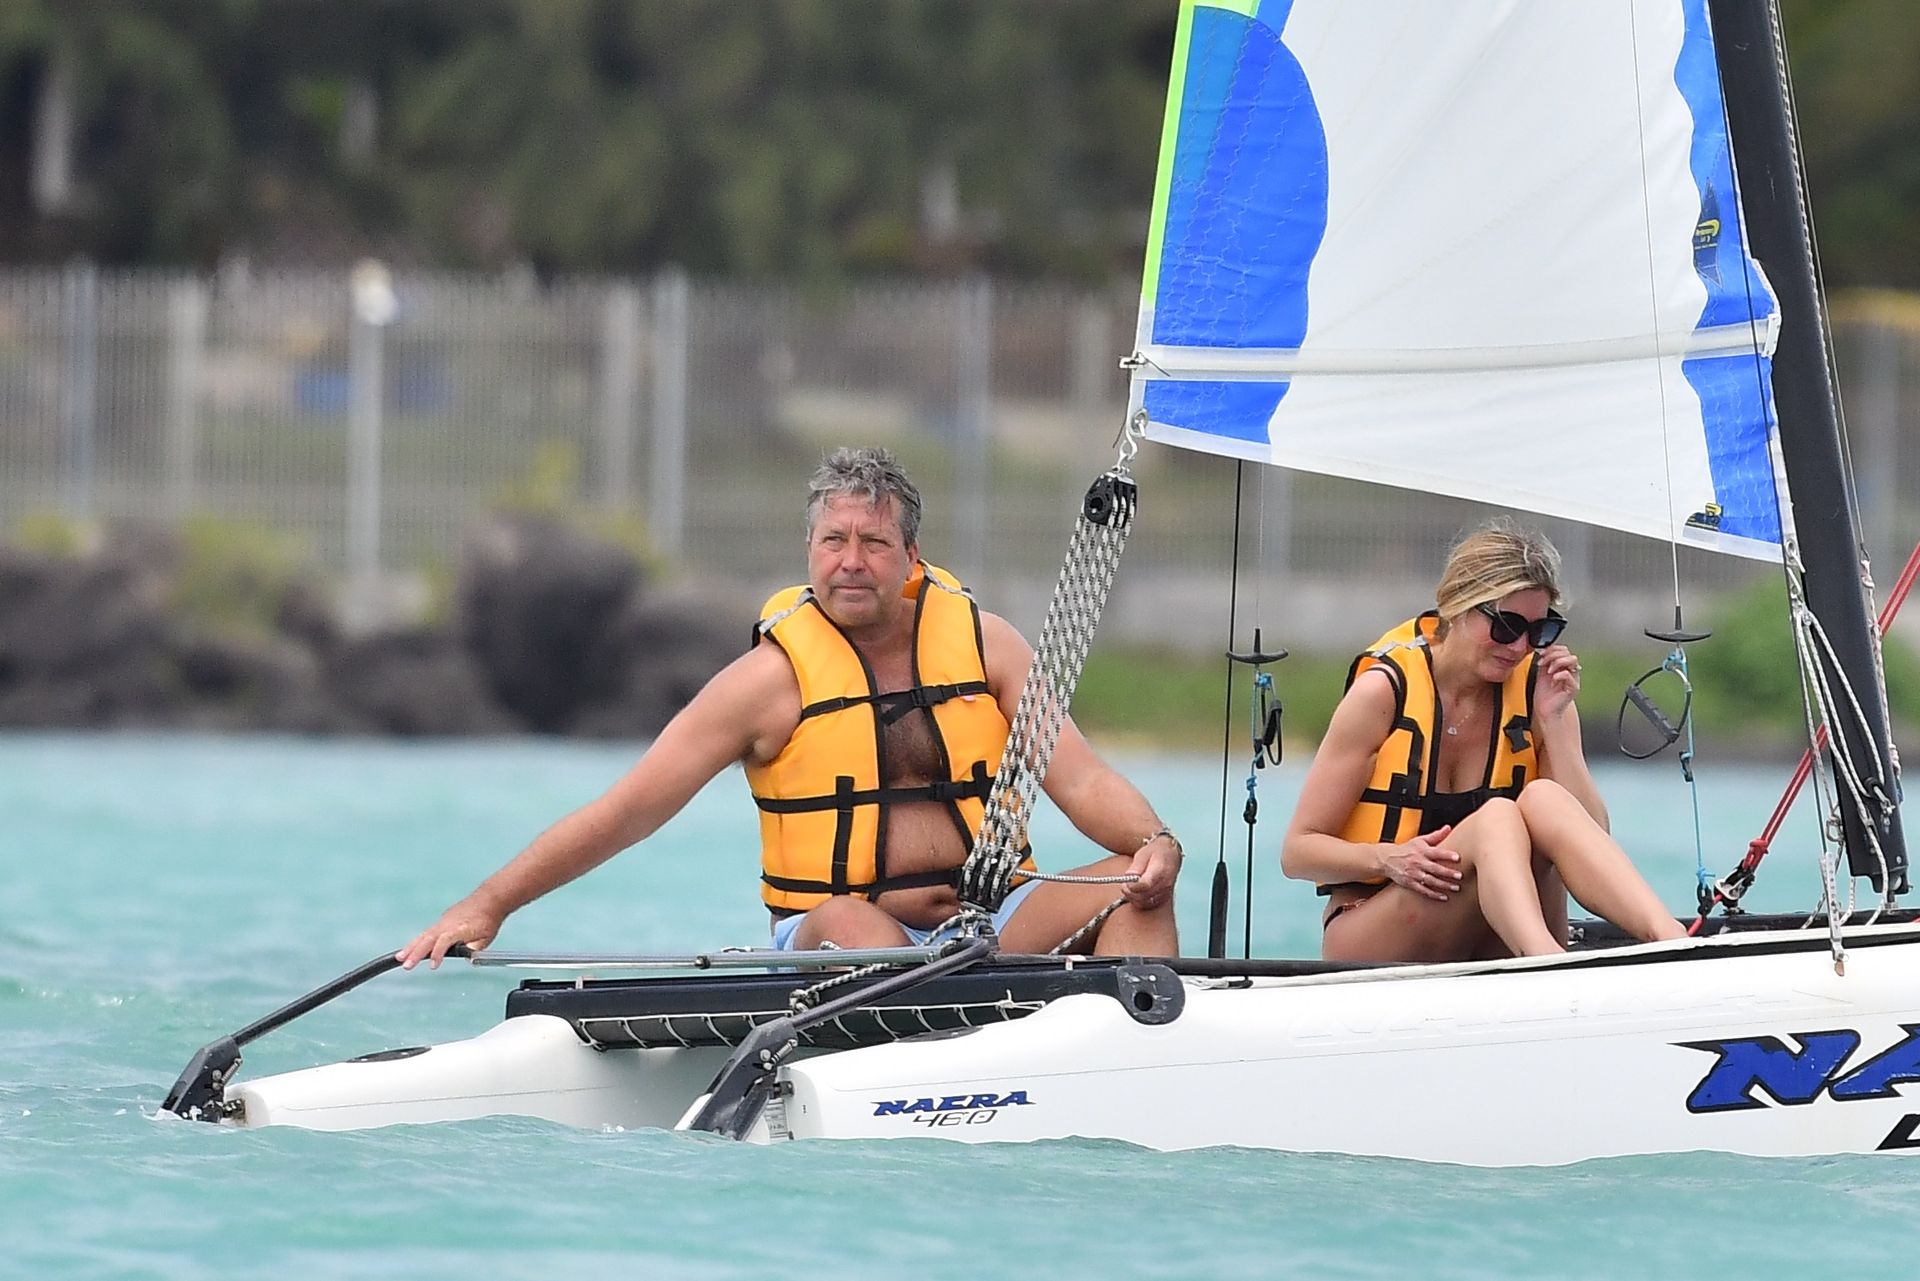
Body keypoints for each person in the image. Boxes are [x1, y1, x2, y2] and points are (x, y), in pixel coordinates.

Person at [399, 447, 1181, 969]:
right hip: (843, 938)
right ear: (809, 550)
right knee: (854, 925)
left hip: (993, 923)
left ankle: (1143, 1072)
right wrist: (490, 903)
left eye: (874, 543)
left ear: (911, 558)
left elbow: (1082, 779)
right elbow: (627, 810)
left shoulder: (989, 646)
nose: (851, 561)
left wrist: (1153, 842)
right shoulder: (765, 683)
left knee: (1135, 883)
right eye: (833, 540)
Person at [1280, 520, 1685, 963]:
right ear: (1457, 607)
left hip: (1492, 934)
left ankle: (1671, 938)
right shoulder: (1383, 693)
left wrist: (1553, 722)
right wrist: (1387, 858)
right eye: (1506, 625)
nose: (1519, 646)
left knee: (1545, 798)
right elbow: (1298, 852)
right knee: (1497, 816)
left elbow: (1592, 835)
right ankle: (1543, 960)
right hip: (1378, 926)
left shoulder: (1540, 694)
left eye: (1540, 631)